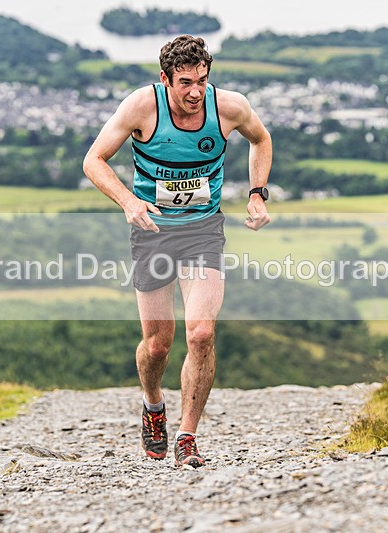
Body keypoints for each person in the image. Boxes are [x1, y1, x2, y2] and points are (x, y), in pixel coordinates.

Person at [82, 35, 272, 468]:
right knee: (157, 345)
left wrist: (258, 193)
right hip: (151, 232)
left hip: (203, 231)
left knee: (201, 333)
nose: (195, 92)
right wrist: (129, 202)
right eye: (185, 82)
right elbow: (94, 160)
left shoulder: (229, 107)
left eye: (202, 80)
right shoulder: (141, 107)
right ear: (164, 78)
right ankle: (153, 406)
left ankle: (188, 436)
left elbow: (261, 140)